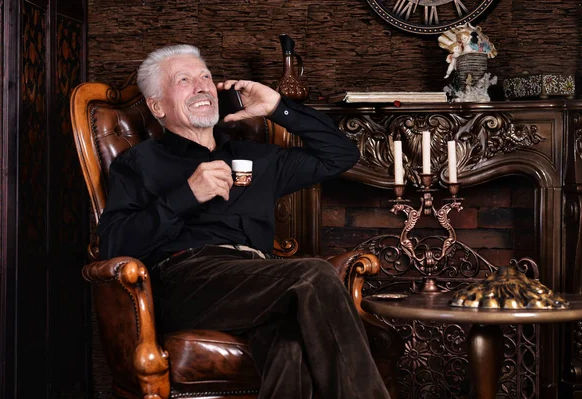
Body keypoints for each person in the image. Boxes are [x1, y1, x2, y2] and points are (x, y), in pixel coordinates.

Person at [97, 44, 390, 399]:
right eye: (184, 80)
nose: (202, 86)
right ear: (158, 106)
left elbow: (341, 155)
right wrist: (186, 194)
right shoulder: (140, 162)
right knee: (313, 273)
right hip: (187, 281)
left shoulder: (256, 157)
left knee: (290, 340)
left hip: (263, 278)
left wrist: (277, 107)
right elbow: (114, 245)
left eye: (205, 76)